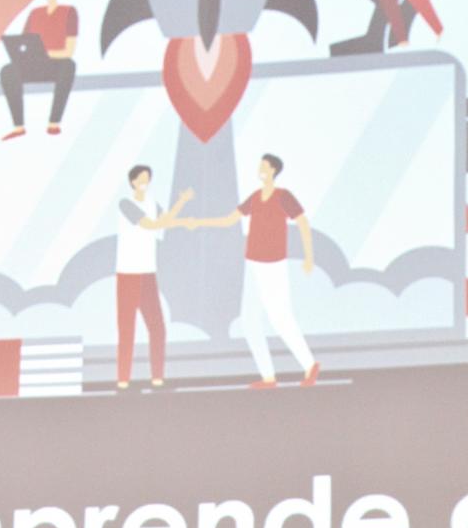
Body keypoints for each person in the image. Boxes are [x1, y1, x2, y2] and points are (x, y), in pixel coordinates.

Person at [188, 154, 319, 389]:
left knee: (280, 317)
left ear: (273, 170)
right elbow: (229, 220)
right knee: (249, 320)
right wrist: (200, 222)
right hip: (253, 264)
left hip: (273, 264)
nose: (260, 169)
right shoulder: (255, 197)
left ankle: (309, 365)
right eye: (260, 166)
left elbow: (302, 223)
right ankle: (268, 376)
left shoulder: (283, 196)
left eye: (264, 166)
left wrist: (309, 256)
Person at [114, 165, 193, 389]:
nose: (144, 183)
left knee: (157, 327)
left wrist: (182, 205)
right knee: (127, 330)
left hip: (148, 273)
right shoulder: (126, 204)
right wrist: (178, 219)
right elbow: (151, 225)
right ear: (132, 182)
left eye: (147, 179)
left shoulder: (151, 203)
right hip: (128, 274)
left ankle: (157, 378)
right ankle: (123, 381)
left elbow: (165, 221)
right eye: (140, 179)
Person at [0, 0, 78, 140]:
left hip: (56, 64)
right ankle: (19, 126)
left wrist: (47, 53)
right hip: (34, 64)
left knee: (69, 65)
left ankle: (54, 122)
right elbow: (25, 43)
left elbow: (69, 51)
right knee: (7, 71)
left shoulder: (69, 12)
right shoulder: (35, 13)